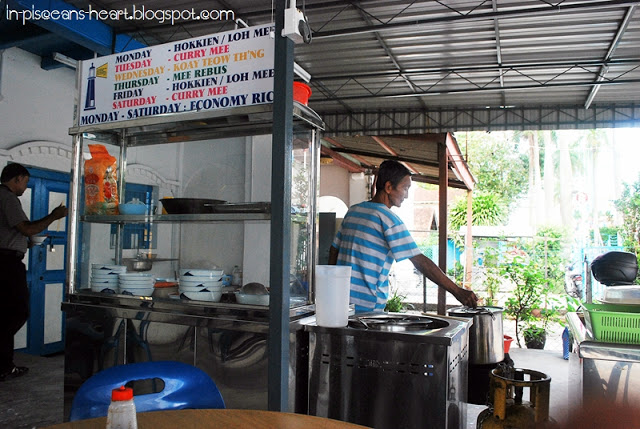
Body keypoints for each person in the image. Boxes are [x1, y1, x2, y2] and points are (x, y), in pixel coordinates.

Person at [328, 160, 478, 313]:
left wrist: (332, 287)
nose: (406, 195)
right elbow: (420, 261)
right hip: (367, 308)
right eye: (405, 188)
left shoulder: (353, 211)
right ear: (388, 187)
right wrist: (457, 291)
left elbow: (334, 250)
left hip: (341, 303)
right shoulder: (388, 220)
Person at [0, 163, 68, 381]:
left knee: (6, 314)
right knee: (16, 312)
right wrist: (54, 216)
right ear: (17, 178)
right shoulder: (8, 197)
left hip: (5, 258)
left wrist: (26, 243)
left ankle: (4, 364)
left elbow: (13, 235)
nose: (24, 187)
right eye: (26, 182)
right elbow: (27, 229)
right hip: (6, 264)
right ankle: (3, 365)